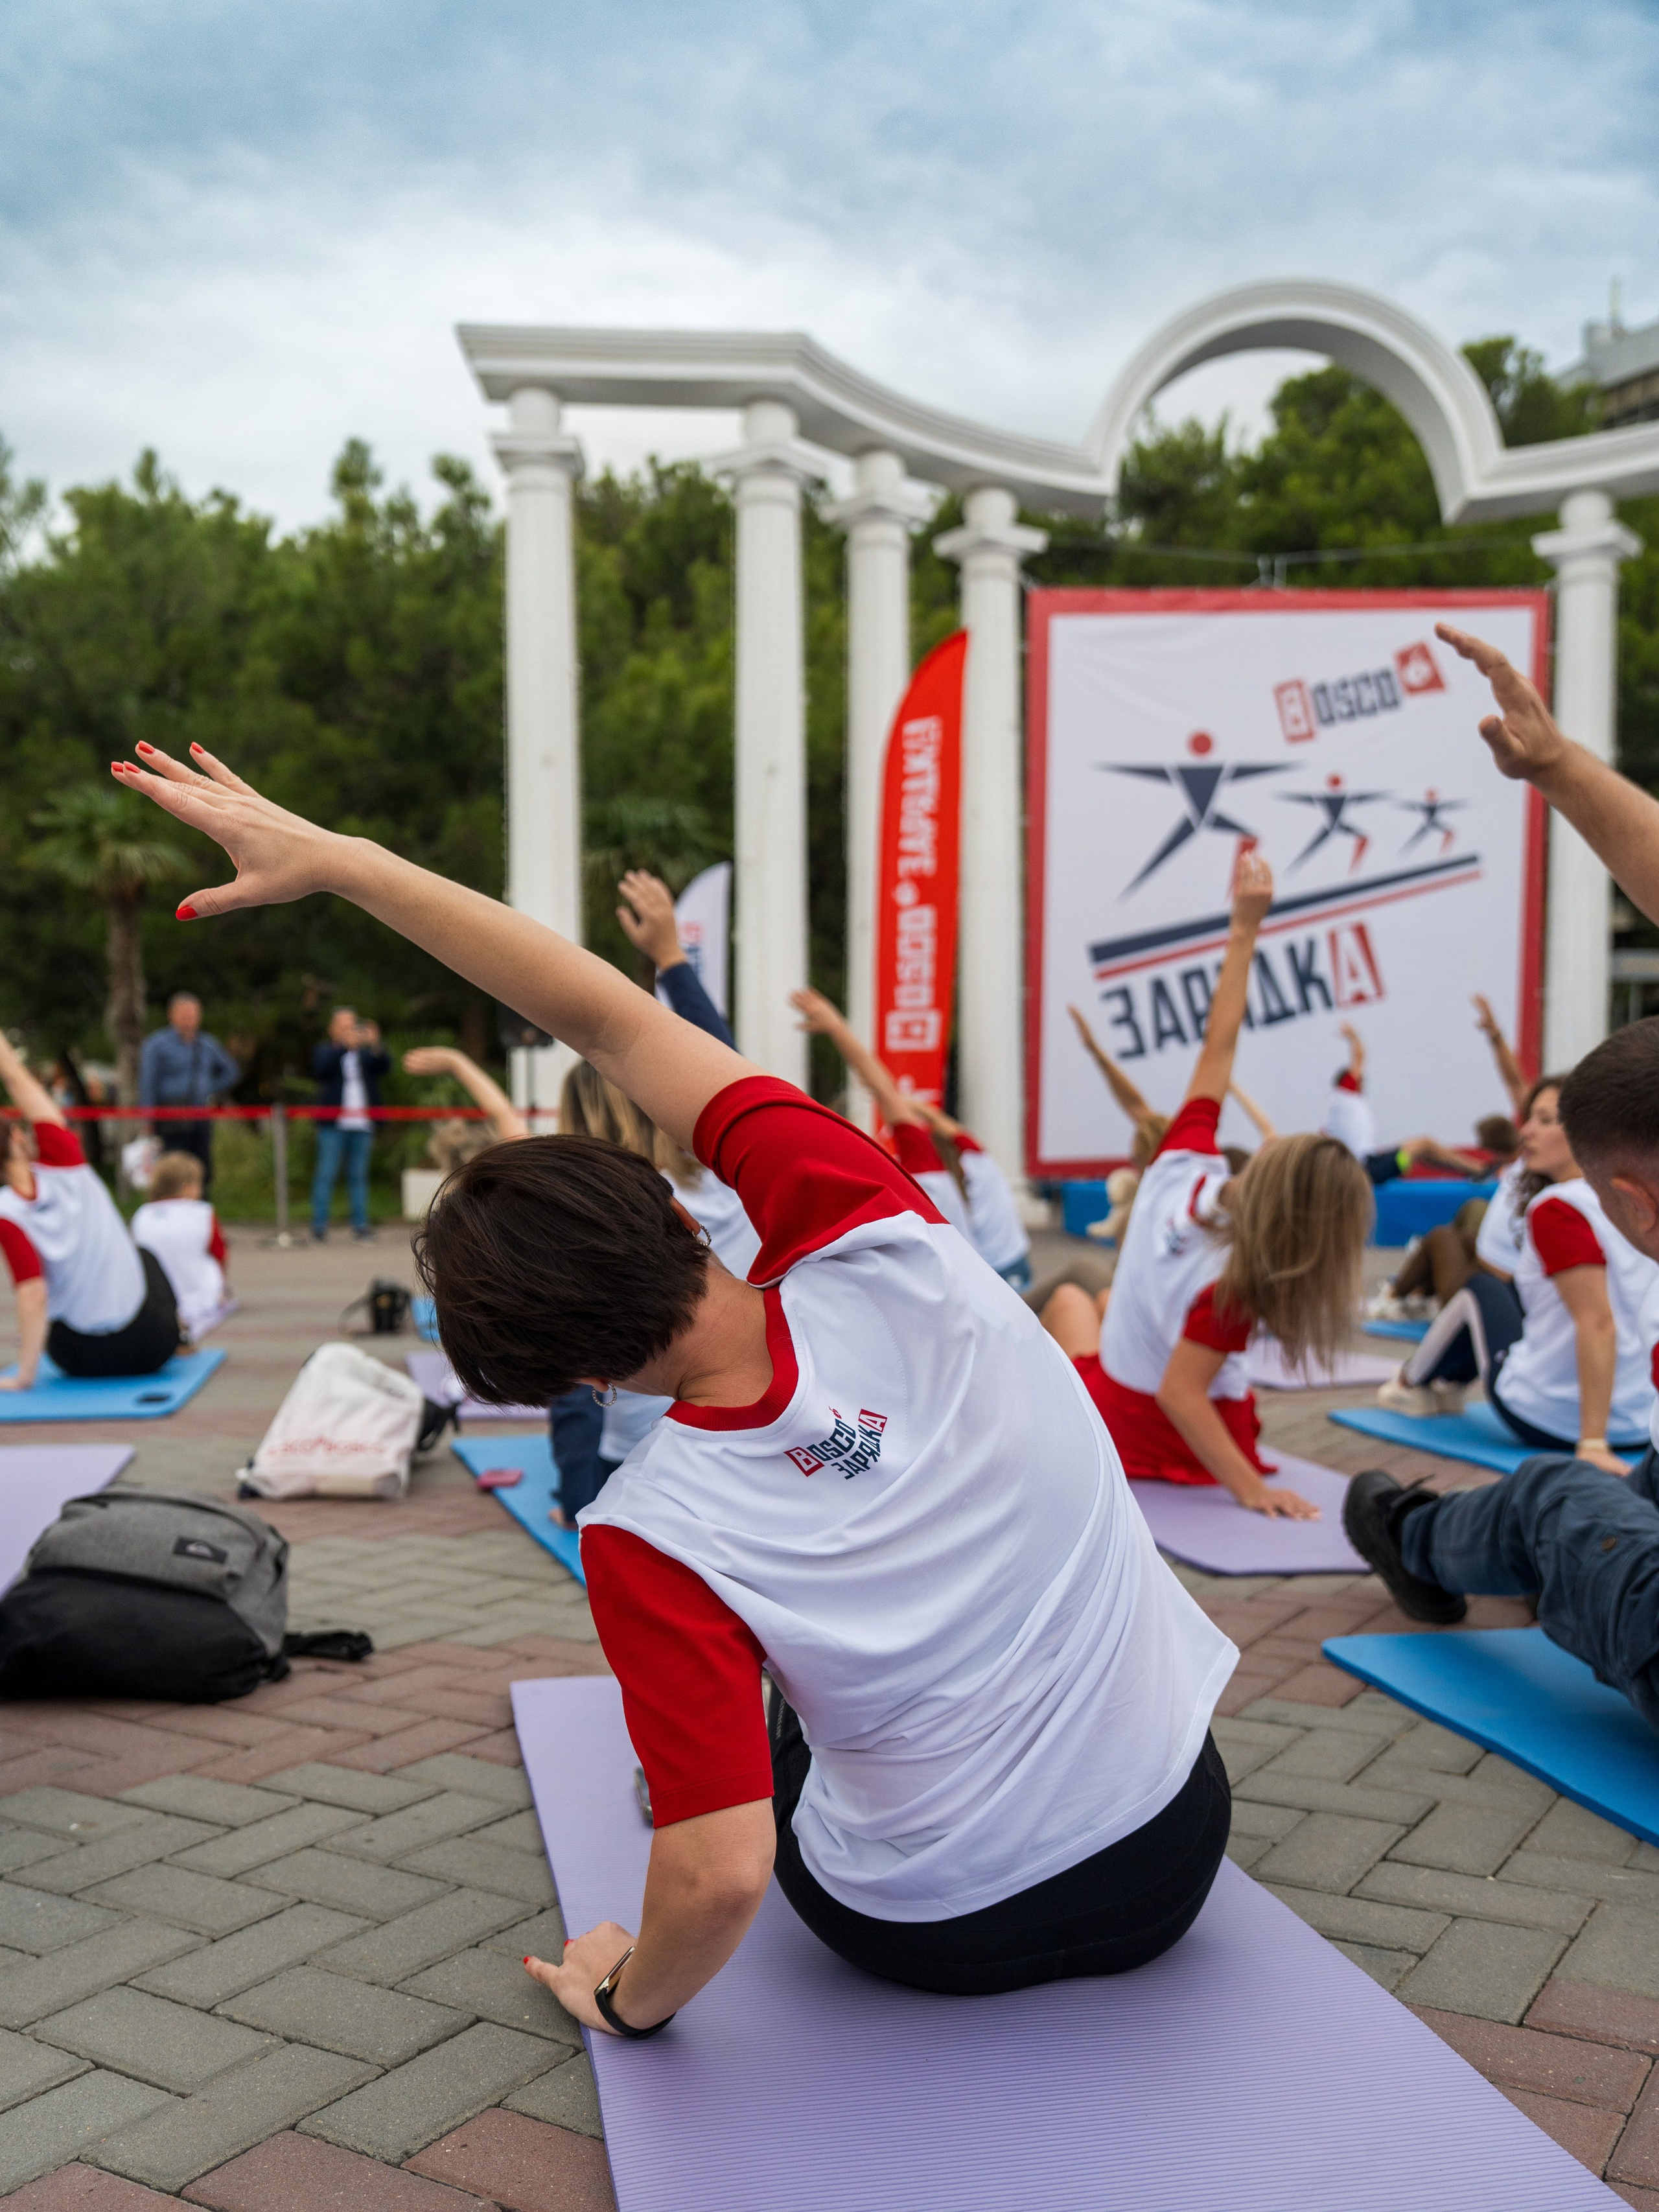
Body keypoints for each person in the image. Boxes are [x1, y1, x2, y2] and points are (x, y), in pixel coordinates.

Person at [114, 735, 1238, 2036]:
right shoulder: (876, 1227)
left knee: (772, 1722)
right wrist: (351, 865)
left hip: (936, 1928)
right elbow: (605, 1014)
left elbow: (719, 1872)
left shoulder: (647, 1532)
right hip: (1174, 1844)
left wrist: (625, 1994)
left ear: (575, 1374)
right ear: (666, 1194)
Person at [1041, 854, 1373, 1520]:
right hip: (1161, 1418)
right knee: (1088, 1295)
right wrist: (1249, 1487)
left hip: (1155, 1427)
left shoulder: (1181, 1160)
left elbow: (1217, 1044)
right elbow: (1182, 1395)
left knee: (1074, 1298)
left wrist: (1243, 929)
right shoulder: (1235, 1265)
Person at [1374, 1074, 1655, 1469]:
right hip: (1641, 1421)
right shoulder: (1637, 1196)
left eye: (1545, 1120)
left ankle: (1408, 1382)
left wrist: (1593, 1444)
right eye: (1529, 1119)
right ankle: (1436, 1381)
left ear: (1586, 1131)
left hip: (1553, 1418)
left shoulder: (1561, 1208)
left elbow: (1597, 1323)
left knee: (1479, 1288)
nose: (1526, 1132)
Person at [791, 987, 1032, 1290]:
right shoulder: (951, 1171)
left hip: (982, 1278)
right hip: (988, 1279)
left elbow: (888, 1093)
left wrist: (838, 1028)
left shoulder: (922, 1177)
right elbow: (922, 1113)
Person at [0, 1034, 180, 1384]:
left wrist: (25, 1375)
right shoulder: (66, 1162)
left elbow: (31, 1292)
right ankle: (183, 1338)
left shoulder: (6, 1214)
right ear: (20, 1138)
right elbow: (15, 1077)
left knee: (58, 1304)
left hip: (78, 1358)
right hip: (150, 1345)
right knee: (144, 1255)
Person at [139, 992, 239, 1194]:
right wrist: (147, 1119)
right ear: (172, 1016)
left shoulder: (207, 1044)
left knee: (202, 1168)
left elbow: (231, 1071)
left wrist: (210, 1088)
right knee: (171, 1169)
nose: (189, 1020)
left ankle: (201, 1211)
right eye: (184, 1015)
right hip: (170, 1117)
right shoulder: (157, 1045)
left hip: (200, 1116)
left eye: (192, 1015)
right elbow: (147, 1083)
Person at [131, 1152, 230, 1343]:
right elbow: (220, 1254)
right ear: (187, 1187)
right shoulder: (203, 1213)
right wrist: (222, 1285)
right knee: (208, 1258)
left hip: (154, 1297)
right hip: (199, 1299)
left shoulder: (141, 1215)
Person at [311, 1008, 389, 1242]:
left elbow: (385, 1067)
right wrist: (345, 1047)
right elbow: (321, 1071)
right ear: (332, 1029)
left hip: (362, 1123)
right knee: (326, 1173)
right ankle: (319, 1225)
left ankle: (360, 1225)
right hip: (333, 1123)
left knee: (359, 1175)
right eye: (343, 1026)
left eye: (352, 1025)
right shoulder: (325, 1050)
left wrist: (375, 1044)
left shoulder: (366, 1055)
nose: (349, 1030)